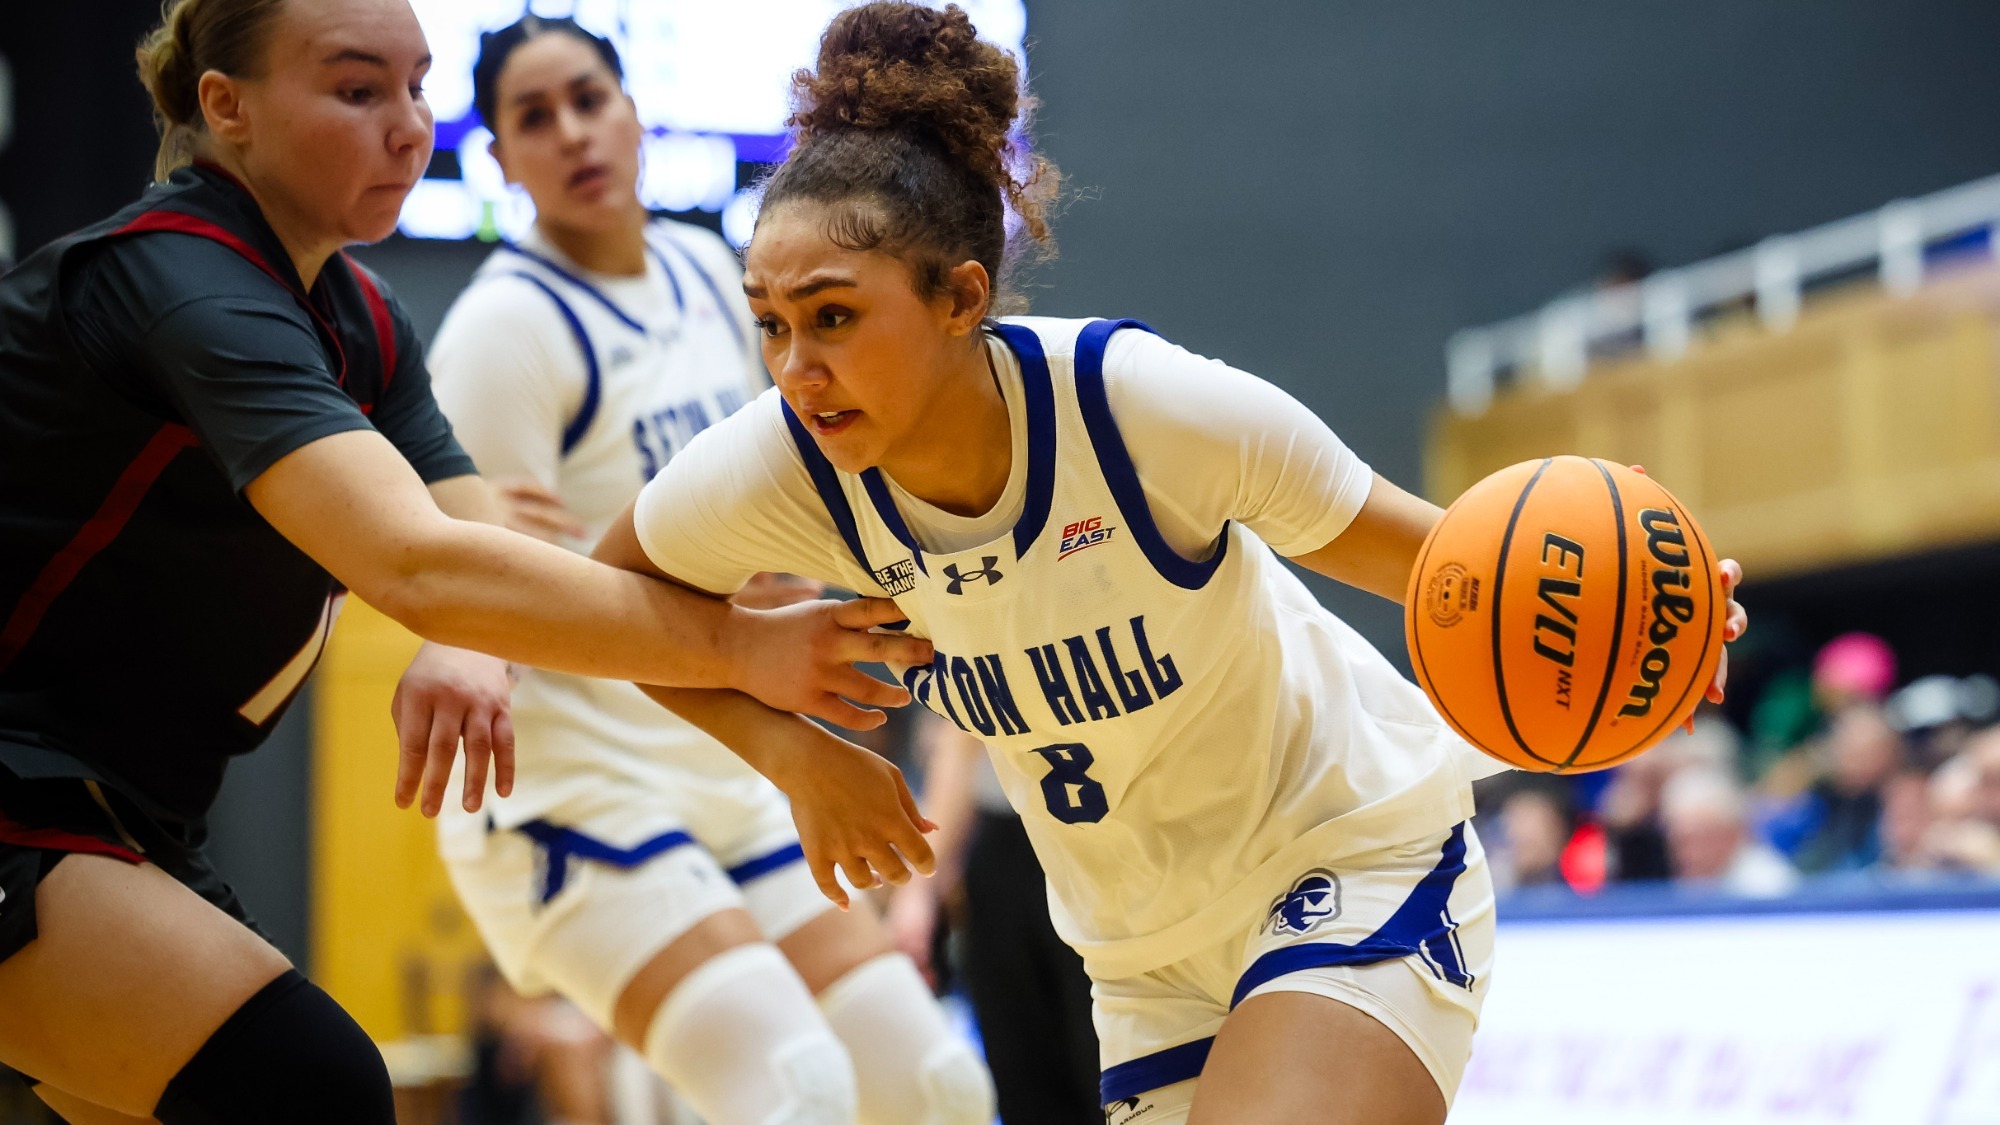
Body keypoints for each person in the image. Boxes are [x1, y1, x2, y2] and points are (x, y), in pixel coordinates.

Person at [580, 5, 1748, 1123]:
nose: (793, 366)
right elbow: (606, 606)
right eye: (769, 322)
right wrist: (788, 752)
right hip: (1139, 958)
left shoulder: (1142, 411)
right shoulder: (781, 463)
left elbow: (1451, 567)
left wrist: (1648, 616)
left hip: (1342, 852)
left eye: (831, 317)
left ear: (960, 297)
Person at [0, 2, 930, 1122]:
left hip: (126, 803)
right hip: (43, 781)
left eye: (415, 87)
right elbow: (426, 564)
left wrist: (476, 638)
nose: (405, 127)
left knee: (926, 1081)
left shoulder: (364, 318)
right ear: (226, 105)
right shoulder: (189, 282)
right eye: (358, 91)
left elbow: (469, 555)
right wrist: (738, 647)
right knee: (316, 1085)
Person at [415, 17, 992, 1125]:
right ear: (498, 159)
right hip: (575, 785)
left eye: (589, 98)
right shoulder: (504, 328)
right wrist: (709, 611)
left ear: (635, 113)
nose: (572, 131)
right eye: (534, 117)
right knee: (793, 1089)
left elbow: (764, 500)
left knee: (935, 1088)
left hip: (721, 766)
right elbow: (484, 601)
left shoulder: (705, 271)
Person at [889, 720, 1101, 1124]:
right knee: (1022, 1069)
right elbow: (961, 737)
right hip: (1005, 843)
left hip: (1098, 833)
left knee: (1106, 1063)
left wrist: (920, 890)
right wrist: (922, 889)